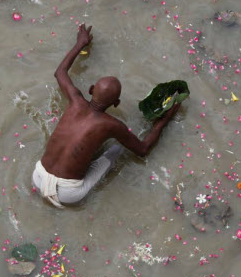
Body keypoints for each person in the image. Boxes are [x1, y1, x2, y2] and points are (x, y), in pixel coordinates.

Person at [32, 24, 181, 208]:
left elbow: (60, 73)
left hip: (38, 177)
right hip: (68, 195)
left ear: (91, 90)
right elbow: (142, 150)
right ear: (116, 104)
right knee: (116, 150)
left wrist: (80, 44)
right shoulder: (112, 124)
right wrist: (163, 121)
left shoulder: (76, 100)